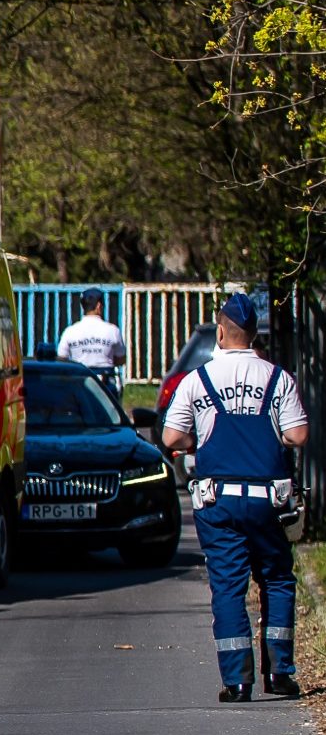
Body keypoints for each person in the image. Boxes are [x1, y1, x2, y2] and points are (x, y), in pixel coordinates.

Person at [161, 291, 307, 701]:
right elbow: (297, 435)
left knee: (228, 588)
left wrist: (197, 441)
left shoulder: (198, 380)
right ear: (255, 333)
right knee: (277, 580)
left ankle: (238, 681)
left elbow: (171, 436)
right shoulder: (278, 378)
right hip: (269, 503)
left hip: (218, 501)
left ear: (221, 332)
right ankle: (280, 673)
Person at [56, 290, 126, 387]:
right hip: (106, 383)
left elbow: (61, 358)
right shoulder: (113, 331)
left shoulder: (70, 331)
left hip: (79, 381)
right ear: (99, 306)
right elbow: (121, 358)